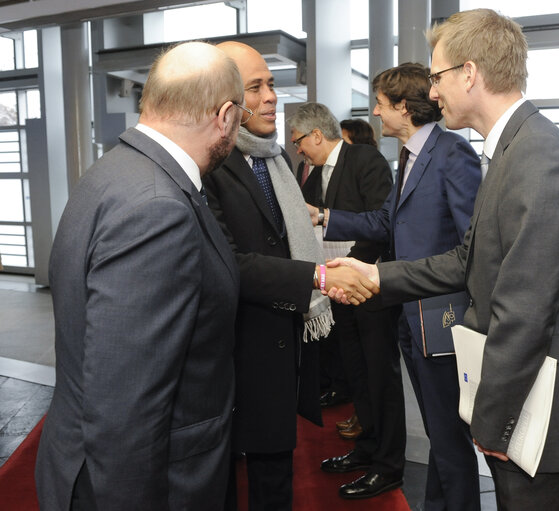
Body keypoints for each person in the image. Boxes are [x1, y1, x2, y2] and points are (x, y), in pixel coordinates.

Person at [328, 9, 559, 511]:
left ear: (470, 73)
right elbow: (467, 258)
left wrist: (490, 420)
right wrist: (377, 275)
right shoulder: (509, 149)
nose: (434, 92)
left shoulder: (538, 157)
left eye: (438, 77)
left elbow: (526, 311)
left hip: (546, 414)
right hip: (527, 399)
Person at [35, 41, 244, 511]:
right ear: (226, 115)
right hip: (146, 484)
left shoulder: (116, 170)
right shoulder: (157, 207)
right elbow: (125, 404)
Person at [202, 42, 378, 511]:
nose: (272, 98)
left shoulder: (276, 162)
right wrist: (318, 277)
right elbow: (231, 261)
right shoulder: (208, 167)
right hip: (237, 350)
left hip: (282, 346)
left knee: (275, 474)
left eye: (272, 84)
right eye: (255, 88)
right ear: (224, 98)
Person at [307, 62, 482, 511]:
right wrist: (326, 217)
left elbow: (472, 244)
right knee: (439, 432)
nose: (376, 115)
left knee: (449, 438)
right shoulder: (408, 156)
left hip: (440, 316)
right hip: (409, 313)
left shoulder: (452, 152)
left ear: (404, 107)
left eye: (381, 106)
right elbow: (386, 221)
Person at [291, 102, 406, 500]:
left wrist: (355, 273)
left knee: (381, 378)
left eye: (300, 142)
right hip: (338, 289)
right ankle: (367, 449)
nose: (299, 151)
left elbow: (382, 222)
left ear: (317, 135)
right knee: (356, 375)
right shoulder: (312, 177)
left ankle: (389, 466)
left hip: (369, 287)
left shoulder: (364, 158)